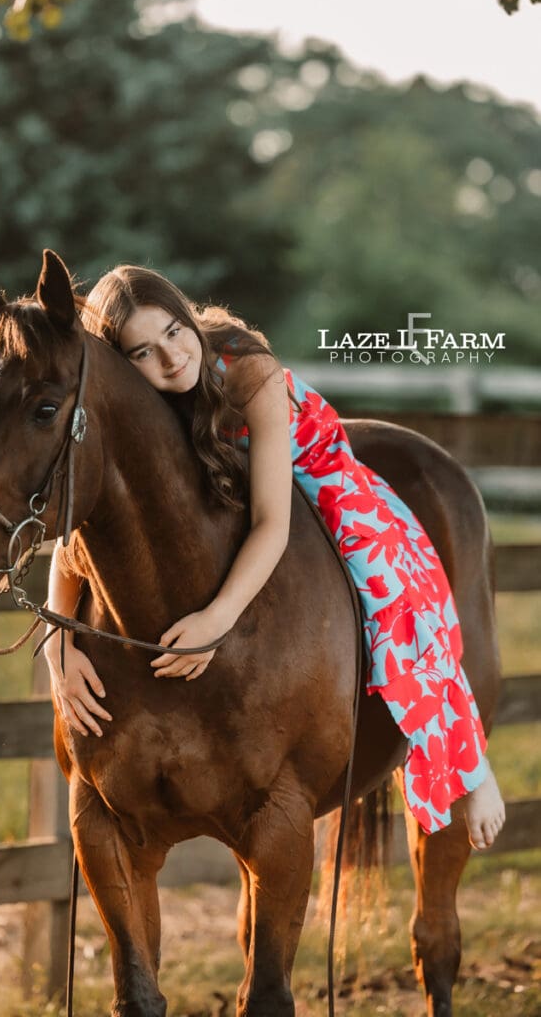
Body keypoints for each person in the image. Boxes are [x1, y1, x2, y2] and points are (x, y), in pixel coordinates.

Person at [44, 264, 505, 850]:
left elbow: (270, 524)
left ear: (189, 320)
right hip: (221, 472)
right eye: (141, 352)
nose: (170, 359)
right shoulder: (136, 406)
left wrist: (216, 619)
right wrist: (57, 641)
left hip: (312, 467)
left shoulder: (246, 370)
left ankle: (471, 768)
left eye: (174, 333)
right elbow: (79, 532)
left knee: (398, 593)